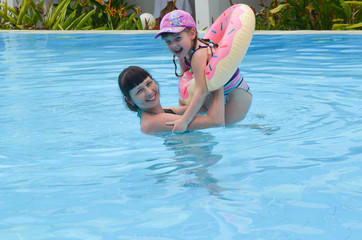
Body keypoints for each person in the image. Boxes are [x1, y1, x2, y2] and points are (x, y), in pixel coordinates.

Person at [154, 10, 252, 132]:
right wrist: (182, 113)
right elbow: (184, 83)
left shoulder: (198, 54)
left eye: (178, 38)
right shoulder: (182, 53)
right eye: (168, 41)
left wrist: (184, 121)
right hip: (212, 94)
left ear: (192, 33)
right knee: (197, 119)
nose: (173, 45)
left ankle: (256, 127)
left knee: (228, 126)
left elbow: (202, 91)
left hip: (236, 94)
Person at [118, 66, 225, 134]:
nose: (149, 92)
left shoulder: (163, 111)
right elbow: (216, 121)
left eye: (149, 83)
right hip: (192, 164)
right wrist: (218, 79)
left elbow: (202, 108)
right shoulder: (153, 122)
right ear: (130, 100)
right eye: (139, 91)